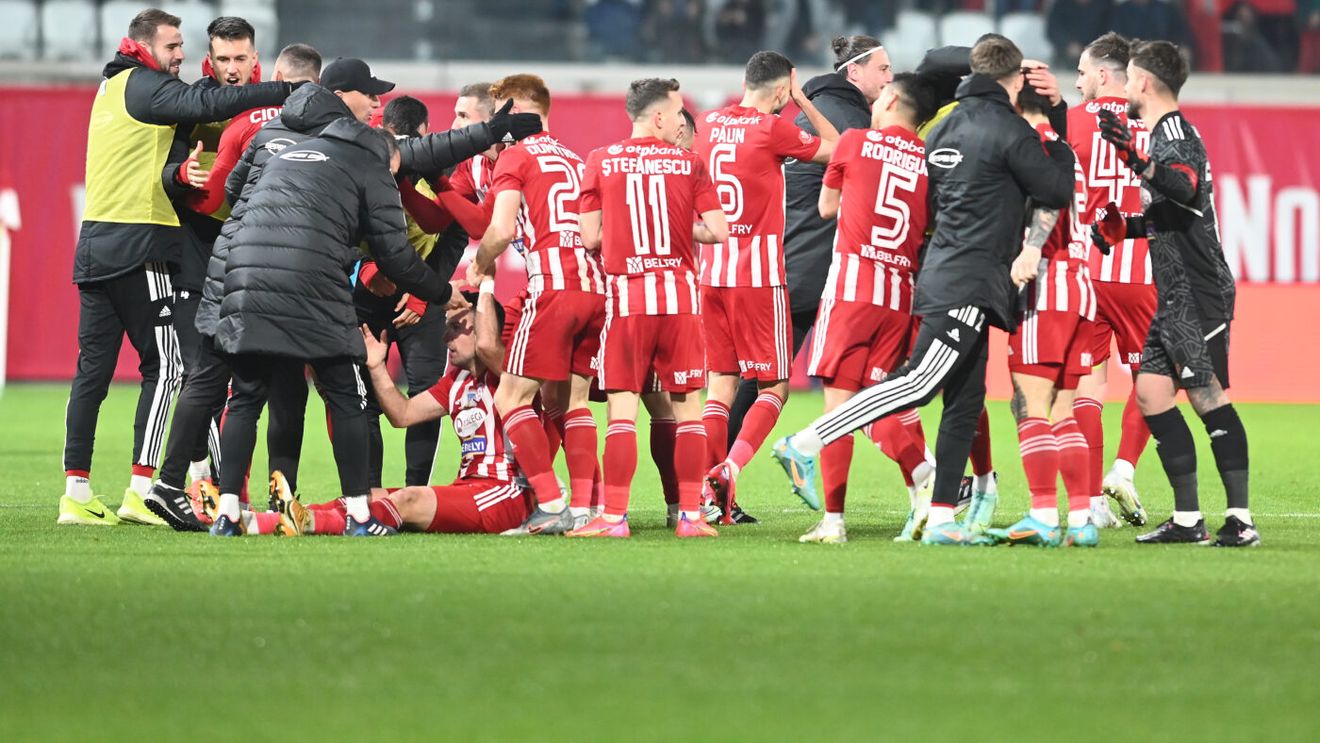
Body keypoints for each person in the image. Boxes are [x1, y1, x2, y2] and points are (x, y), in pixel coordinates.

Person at [772, 35, 1076, 546]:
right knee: (918, 387)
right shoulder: (1002, 133)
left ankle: (935, 515)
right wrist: (1056, 127)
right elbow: (1055, 189)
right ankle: (807, 443)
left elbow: (834, 207)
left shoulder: (931, 132)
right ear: (1018, 81)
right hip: (933, 281)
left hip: (887, 280)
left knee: (959, 397)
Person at [58, 8, 293, 527]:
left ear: (256, 58)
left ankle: (78, 490)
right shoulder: (150, 87)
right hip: (146, 243)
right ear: (144, 45)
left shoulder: (123, 86)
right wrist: (280, 94)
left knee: (99, 373)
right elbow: (197, 112)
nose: (180, 55)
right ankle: (152, 487)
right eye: (174, 46)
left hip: (104, 242)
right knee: (178, 368)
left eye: (239, 58)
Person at [209, 122, 456, 537]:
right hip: (310, 288)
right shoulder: (366, 166)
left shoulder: (288, 155)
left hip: (248, 277)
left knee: (248, 397)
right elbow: (396, 254)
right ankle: (360, 517)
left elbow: (236, 196)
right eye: (393, 172)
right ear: (381, 157)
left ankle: (228, 512)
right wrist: (441, 293)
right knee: (348, 396)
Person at [1094, 40, 1256, 546]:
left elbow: (1184, 186)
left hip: (1196, 290)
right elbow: (1179, 213)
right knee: (1150, 393)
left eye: (1129, 78)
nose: (1123, 88)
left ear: (1143, 82)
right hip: (1174, 290)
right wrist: (1132, 228)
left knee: (1207, 395)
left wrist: (1135, 160)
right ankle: (1188, 520)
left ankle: (1240, 520)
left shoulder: (1174, 133)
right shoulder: (1164, 134)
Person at [568, 78, 729, 538]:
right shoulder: (689, 163)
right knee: (688, 412)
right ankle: (692, 517)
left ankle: (614, 517)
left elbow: (590, 239)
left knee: (622, 413)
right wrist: (682, 233)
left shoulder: (599, 161)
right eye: (678, 113)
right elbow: (718, 231)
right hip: (680, 301)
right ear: (658, 116)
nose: (682, 121)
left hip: (628, 301)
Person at [694, 50, 837, 522]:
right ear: (781, 90)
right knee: (774, 386)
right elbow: (835, 149)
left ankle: (710, 498)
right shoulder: (771, 127)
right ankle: (730, 469)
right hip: (756, 279)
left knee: (720, 386)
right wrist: (803, 102)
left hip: (711, 274)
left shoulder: (708, 124)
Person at [257, 291, 532, 537]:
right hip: (467, 487)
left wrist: (485, 281)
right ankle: (263, 521)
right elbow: (403, 414)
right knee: (367, 495)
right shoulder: (456, 381)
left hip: (507, 492)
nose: (446, 337)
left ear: (483, 331)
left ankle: (314, 522)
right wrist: (376, 367)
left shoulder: (511, 374)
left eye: (457, 328)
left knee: (410, 498)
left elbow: (488, 346)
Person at [797, 73, 938, 546]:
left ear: (892, 99)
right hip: (901, 295)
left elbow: (826, 207)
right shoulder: (928, 161)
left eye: (880, 97)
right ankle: (923, 488)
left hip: (854, 289)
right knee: (881, 400)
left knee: (840, 404)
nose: (873, 103)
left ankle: (837, 519)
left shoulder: (854, 142)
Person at [465, 74, 605, 535]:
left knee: (510, 395)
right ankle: (584, 510)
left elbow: (501, 230)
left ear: (518, 110)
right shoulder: (575, 157)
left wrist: (481, 266)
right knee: (573, 402)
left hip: (553, 288)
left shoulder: (516, 155)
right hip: (594, 288)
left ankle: (548, 502)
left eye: (502, 110)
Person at [987, 85, 1099, 548]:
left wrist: (1030, 247)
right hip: (1081, 286)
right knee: (1064, 412)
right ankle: (1081, 520)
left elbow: (1047, 205)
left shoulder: (1033, 148)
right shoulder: (1069, 150)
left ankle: (1041, 514)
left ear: (1016, 107)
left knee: (1031, 406)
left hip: (1047, 284)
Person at [1068, 32, 1154, 530]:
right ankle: (1123, 469)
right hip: (1140, 269)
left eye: (1081, 72)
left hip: (1086, 270)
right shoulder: (1156, 122)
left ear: (1104, 74)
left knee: (1088, 384)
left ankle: (1091, 501)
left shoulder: (1073, 122)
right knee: (1154, 379)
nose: (1077, 82)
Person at [356, 96, 451, 489]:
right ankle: (412, 492)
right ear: (427, 131)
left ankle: (372, 493)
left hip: (392, 294)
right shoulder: (439, 164)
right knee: (425, 394)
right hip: (407, 290)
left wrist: (366, 271)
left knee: (363, 400)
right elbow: (453, 234)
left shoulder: (357, 158)